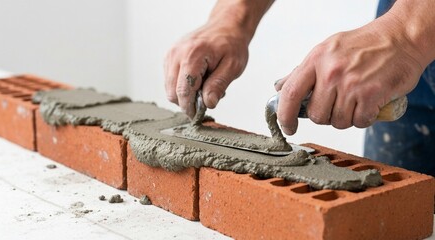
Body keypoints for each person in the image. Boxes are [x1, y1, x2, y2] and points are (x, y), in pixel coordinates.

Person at [164, 0, 435, 176]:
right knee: (398, 215)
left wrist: (406, 34)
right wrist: (234, 16)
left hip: (412, 37)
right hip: (403, 56)